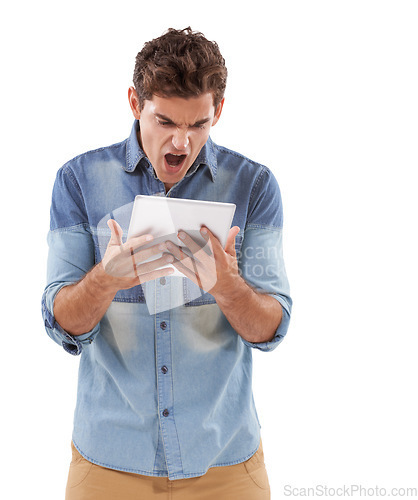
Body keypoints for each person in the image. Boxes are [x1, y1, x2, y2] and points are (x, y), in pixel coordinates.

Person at [42, 27, 292, 500]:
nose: (181, 141)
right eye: (165, 121)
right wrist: (105, 281)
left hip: (225, 462)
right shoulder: (78, 181)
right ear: (135, 103)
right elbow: (61, 323)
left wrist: (227, 287)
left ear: (217, 109)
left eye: (198, 124)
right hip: (109, 463)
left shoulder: (254, 187)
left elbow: (272, 329)